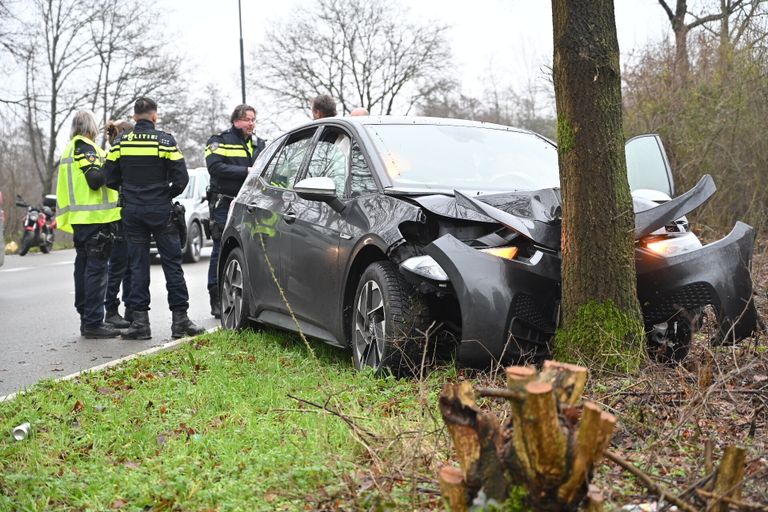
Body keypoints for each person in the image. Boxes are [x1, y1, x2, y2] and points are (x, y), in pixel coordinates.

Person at [104, 97, 205, 340]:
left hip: (132, 211)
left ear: (134, 116)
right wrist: (163, 194)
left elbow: (109, 178)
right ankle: (180, 321)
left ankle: (140, 324)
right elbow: (181, 179)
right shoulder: (165, 141)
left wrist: (129, 192)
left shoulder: (120, 142)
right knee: (172, 265)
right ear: (154, 116)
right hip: (161, 211)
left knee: (138, 266)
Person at [56, 111, 123, 338]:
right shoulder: (85, 147)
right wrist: (112, 164)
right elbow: (94, 180)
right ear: (90, 127)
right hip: (95, 221)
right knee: (96, 271)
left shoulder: (71, 147)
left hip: (82, 221)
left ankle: (87, 316)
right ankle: (93, 322)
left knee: (84, 268)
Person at [204, 104, 266, 317]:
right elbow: (215, 167)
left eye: (254, 120)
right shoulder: (219, 141)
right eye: (248, 119)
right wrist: (246, 171)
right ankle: (216, 297)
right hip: (225, 203)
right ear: (236, 121)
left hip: (252, 204)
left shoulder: (260, 143)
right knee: (221, 249)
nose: (252, 124)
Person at [103, 120, 134, 329]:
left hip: (125, 216)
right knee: (119, 266)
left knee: (129, 266)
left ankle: (130, 308)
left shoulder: (119, 151)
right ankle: (111, 311)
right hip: (118, 217)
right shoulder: (117, 153)